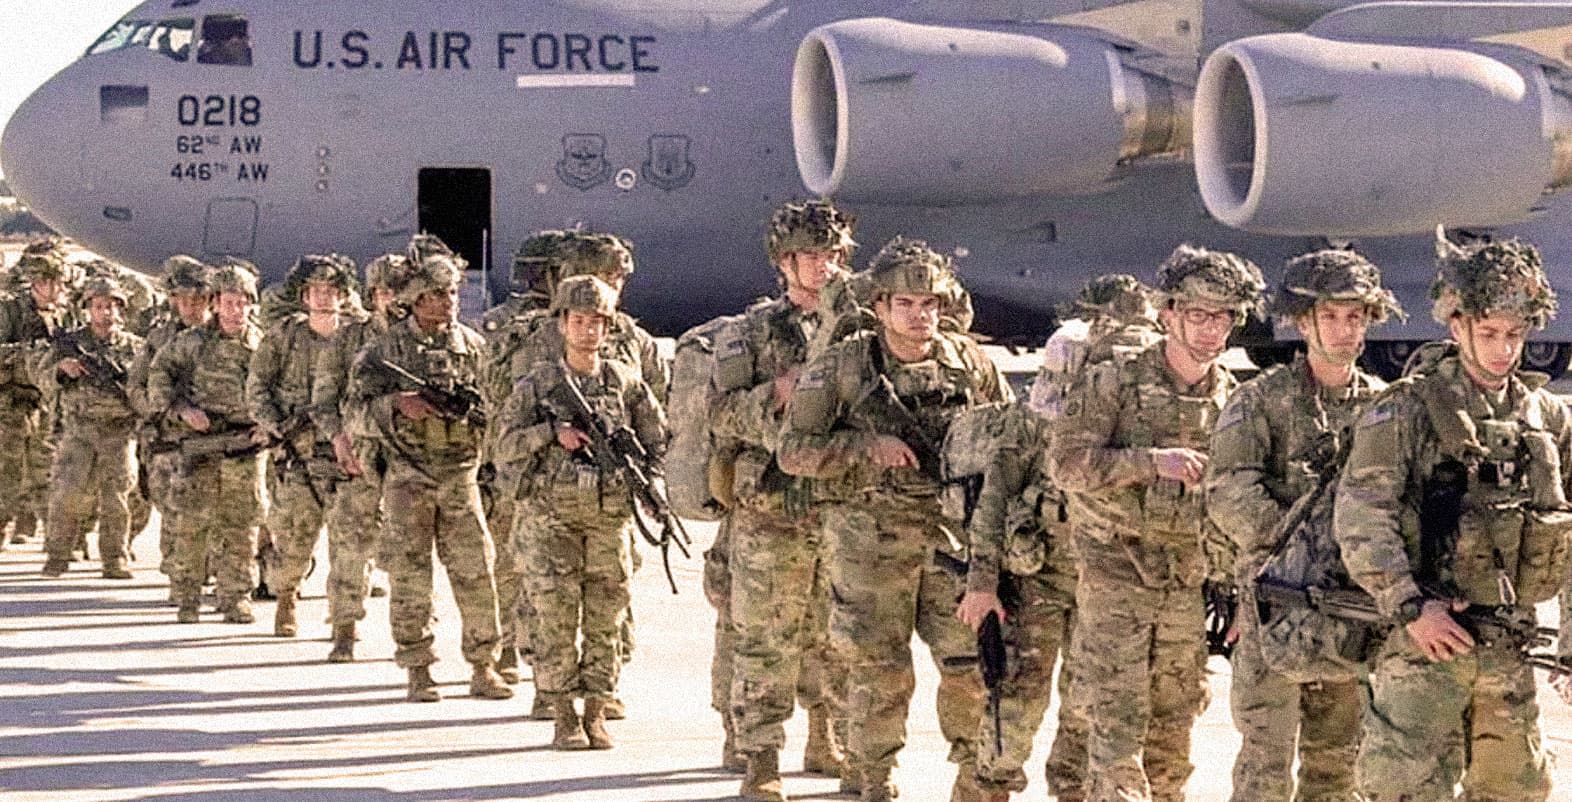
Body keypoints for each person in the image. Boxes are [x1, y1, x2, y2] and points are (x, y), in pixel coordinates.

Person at [1333, 235, 1567, 801]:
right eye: (1488, 333)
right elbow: (1362, 517)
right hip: (1423, 645)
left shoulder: (1547, 417)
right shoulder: (1407, 409)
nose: (1503, 349)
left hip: (1508, 649)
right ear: (1457, 326)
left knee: (1514, 791)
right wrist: (1412, 609)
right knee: (1408, 791)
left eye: (1515, 335)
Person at [779, 236, 1011, 802]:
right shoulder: (843, 366)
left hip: (949, 542)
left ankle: (974, 777)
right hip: (868, 543)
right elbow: (793, 451)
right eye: (905, 305)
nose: (919, 315)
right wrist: (866, 448)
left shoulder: (970, 364)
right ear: (879, 307)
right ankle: (873, 778)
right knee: (877, 670)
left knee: (968, 663)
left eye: (929, 304)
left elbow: (1010, 445)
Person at [1048, 243, 1264, 802]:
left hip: (1187, 582)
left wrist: (1240, 591)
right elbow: (1065, 464)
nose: (1210, 329)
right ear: (1168, 315)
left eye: (1222, 317)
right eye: (1197, 314)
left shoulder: (1233, 401)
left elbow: (1237, 506)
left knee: (1175, 726)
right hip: (1115, 571)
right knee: (1115, 724)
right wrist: (1151, 462)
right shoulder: (1114, 381)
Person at [1205, 249, 1401, 801]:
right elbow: (1227, 492)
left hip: (1352, 612)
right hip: (1275, 610)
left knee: (1339, 768)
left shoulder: (1387, 408)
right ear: (1303, 321)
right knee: (1265, 767)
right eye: (1331, 317)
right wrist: (1306, 546)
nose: (1344, 331)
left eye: (1355, 316)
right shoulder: (1261, 401)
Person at [713, 199, 855, 801]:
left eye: (831, 255)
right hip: (770, 508)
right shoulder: (749, 333)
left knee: (841, 637)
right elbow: (719, 413)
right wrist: (776, 392)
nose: (821, 267)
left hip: (841, 505)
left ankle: (830, 738)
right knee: (764, 639)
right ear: (784, 262)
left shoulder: (857, 331)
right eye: (809, 256)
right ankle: (761, 757)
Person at [497, 275, 666, 749]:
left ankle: (596, 710)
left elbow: (655, 439)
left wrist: (649, 484)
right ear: (562, 324)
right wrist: (551, 435)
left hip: (608, 519)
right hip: (551, 521)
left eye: (597, 322)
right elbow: (503, 445)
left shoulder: (624, 382)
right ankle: (561, 714)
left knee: (605, 620)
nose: (588, 331)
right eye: (578, 321)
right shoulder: (538, 384)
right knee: (553, 618)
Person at [348, 253, 511, 702]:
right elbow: (352, 415)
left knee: (477, 573)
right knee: (410, 577)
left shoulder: (475, 348)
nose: (448, 302)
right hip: (407, 478)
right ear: (416, 299)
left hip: (461, 476)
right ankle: (417, 667)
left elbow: (500, 411)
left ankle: (484, 664)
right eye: (437, 294)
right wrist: (396, 405)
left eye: (453, 292)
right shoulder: (383, 352)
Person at [147, 261, 266, 624]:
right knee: (191, 524)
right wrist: (181, 409)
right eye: (229, 302)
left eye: (243, 302)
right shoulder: (191, 342)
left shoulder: (262, 345)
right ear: (214, 303)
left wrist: (268, 425)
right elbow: (158, 376)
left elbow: (281, 388)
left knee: (241, 525)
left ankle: (235, 597)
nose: (236, 310)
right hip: (200, 446)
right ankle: (186, 597)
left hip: (244, 449)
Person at [247, 254, 358, 637]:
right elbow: (258, 385)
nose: (324, 298)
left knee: (351, 546)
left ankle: (344, 623)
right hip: (298, 455)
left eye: (331, 291)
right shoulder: (284, 336)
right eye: (317, 291)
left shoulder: (359, 338)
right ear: (305, 296)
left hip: (348, 457)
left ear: (343, 296)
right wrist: (275, 425)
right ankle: (286, 597)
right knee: (293, 540)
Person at [310, 253, 409, 662]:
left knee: (409, 551)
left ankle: (414, 637)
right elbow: (324, 400)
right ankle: (344, 629)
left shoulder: (420, 339)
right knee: (349, 545)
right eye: (384, 291)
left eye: (398, 291)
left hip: (410, 460)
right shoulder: (347, 340)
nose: (390, 299)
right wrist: (338, 440)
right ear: (371, 296)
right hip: (358, 457)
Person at [37, 277, 143, 578]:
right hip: (79, 431)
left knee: (117, 499)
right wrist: (62, 369)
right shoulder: (70, 344)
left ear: (120, 309)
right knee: (67, 493)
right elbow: (42, 375)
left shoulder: (134, 348)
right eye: (99, 306)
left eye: (110, 306)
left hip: (119, 432)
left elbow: (145, 386)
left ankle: (114, 559)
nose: (105, 312)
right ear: (88, 309)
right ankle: (58, 555)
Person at [130, 256, 211, 585]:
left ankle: (203, 569)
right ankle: (180, 571)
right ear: (173, 300)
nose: (190, 305)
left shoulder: (223, 337)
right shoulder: (158, 339)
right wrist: (158, 408)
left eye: (198, 298)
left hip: (212, 439)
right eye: (183, 298)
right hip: (167, 438)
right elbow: (136, 386)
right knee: (172, 507)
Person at [0, 239, 73, 547]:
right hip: (11, 402)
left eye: (59, 283)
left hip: (48, 403)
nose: (56, 288)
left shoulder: (65, 316)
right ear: (38, 283)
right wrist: (30, 356)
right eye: (50, 282)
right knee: (7, 471)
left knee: (49, 471)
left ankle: (56, 539)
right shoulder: (10, 310)